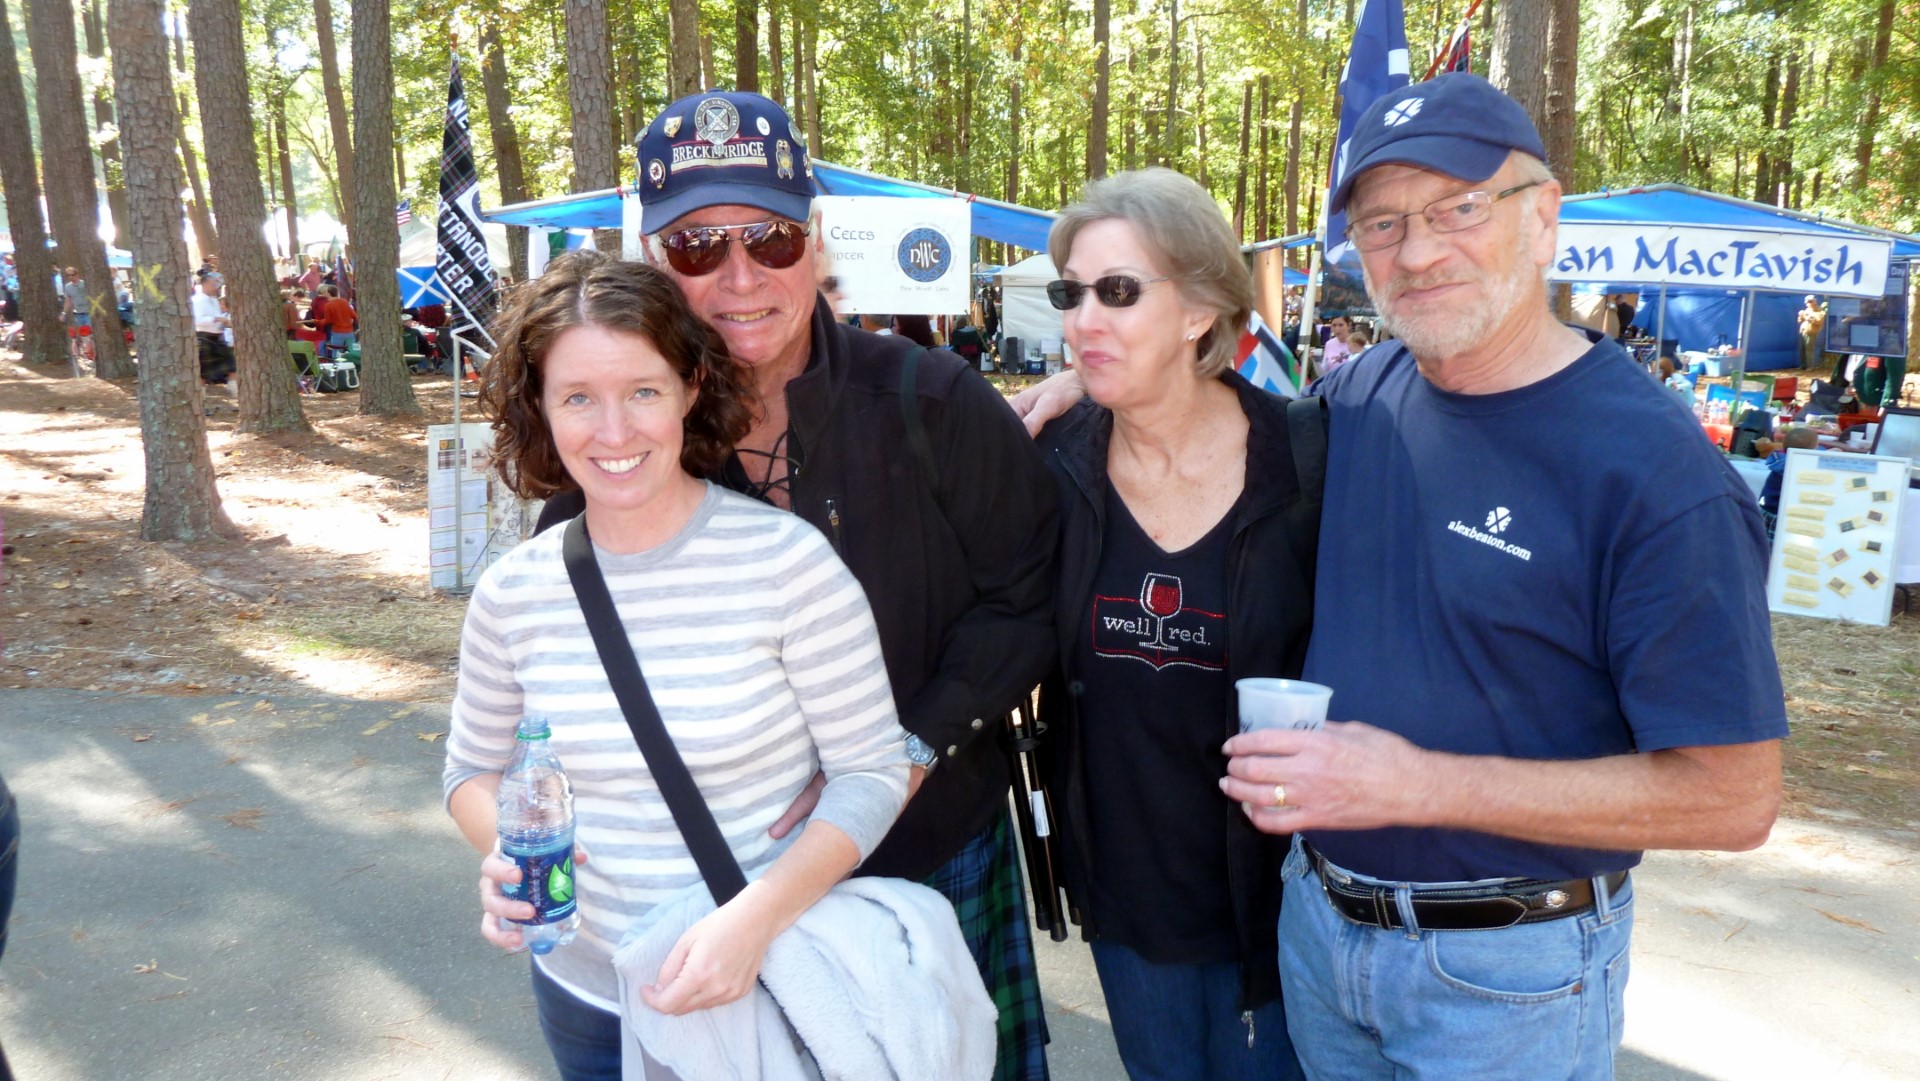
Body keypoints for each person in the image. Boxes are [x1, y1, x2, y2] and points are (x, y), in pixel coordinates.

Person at [1013, 73, 1785, 1081]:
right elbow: (1214, 401)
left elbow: (1732, 800)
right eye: (1383, 225)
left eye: (1460, 208)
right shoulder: (1362, 398)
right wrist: (1097, 371)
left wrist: (1417, 783)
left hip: (1508, 974)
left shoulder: (1655, 471)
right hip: (1318, 939)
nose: (1418, 251)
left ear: (1544, 218)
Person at [544, 89, 1060, 1080]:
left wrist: (902, 750)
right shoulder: (626, 430)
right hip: (708, 881)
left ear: (815, 242)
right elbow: (559, 639)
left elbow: (1027, 597)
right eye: (698, 246)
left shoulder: (933, 399)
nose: (741, 276)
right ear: (654, 260)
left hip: (928, 849)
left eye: (771, 237)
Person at [447, 252, 912, 1079]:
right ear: (541, 408)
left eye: (643, 391)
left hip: (760, 980)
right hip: (584, 994)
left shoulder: (788, 564)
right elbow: (470, 772)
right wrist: (512, 858)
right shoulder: (514, 592)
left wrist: (757, 919)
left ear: (692, 387)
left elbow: (872, 771)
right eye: (579, 397)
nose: (615, 430)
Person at [1033, 167, 1311, 1081]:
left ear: (1199, 309)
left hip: (1278, 897)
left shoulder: (1308, 460)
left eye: (1117, 291)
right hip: (1127, 893)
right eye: (1071, 293)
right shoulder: (1050, 465)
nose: (1083, 319)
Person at [191, 274, 236, 388]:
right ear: (204, 284)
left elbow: (218, 316)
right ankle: (200, 401)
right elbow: (197, 320)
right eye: (213, 284)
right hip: (204, 338)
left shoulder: (214, 299)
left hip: (218, 338)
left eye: (217, 284)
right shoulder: (197, 300)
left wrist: (226, 322)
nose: (216, 287)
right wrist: (216, 319)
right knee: (203, 375)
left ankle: (239, 395)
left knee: (232, 367)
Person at [60, 266, 89, 361]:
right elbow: (68, 300)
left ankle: (89, 354)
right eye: (69, 275)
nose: (71, 277)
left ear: (77, 274)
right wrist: (64, 313)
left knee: (89, 334)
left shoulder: (84, 284)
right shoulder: (68, 287)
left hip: (89, 312)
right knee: (82, 334)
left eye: (73, 275)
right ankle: (85, 354)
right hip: (79, 313)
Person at [1797, 294, 1827, 369]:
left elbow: (1818, 321)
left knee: (1809, 350)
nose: (1808, 303)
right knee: (1802, 349)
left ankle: (1810, 366)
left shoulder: (1820, 311)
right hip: (1803, 331)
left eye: (1810, 301)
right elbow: (1800, 321)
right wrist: (1800, 316)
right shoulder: (1807, 310)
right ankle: (1803, 365)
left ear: (1815, 302)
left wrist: (1806, 317)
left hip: (1811, 332)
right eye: (1807, 302)